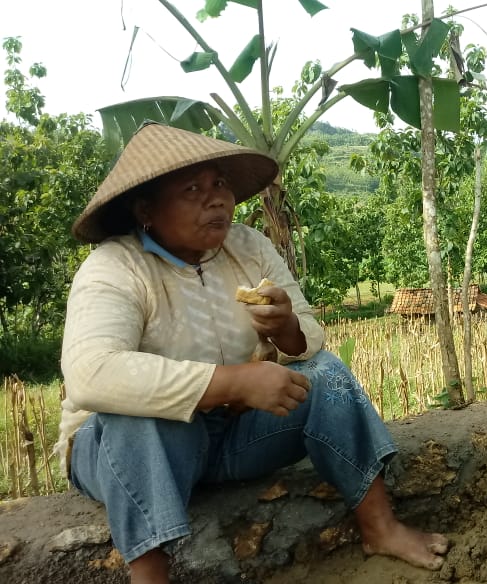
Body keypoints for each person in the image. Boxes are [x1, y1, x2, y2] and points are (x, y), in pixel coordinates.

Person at [58, 122, 448, 583]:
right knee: (136, 418)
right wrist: (234, 381)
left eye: (220, 183)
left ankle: (380, 527)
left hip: (233, 434)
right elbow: (91, 374)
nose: (217, 198)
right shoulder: (115, 267)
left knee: (326, 374)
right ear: (146, 209)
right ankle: (150, 577)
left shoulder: (248, 246)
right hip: (128, 449)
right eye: (192, 189)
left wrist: (286, 328)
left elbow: (310, 340)